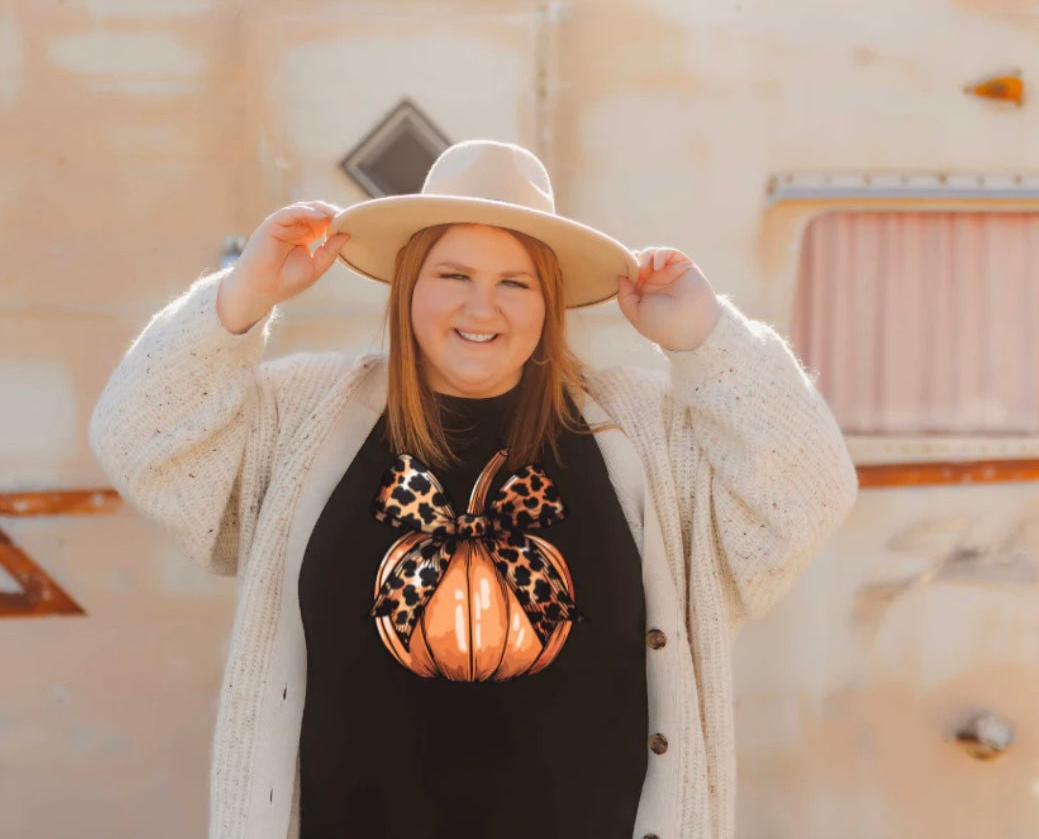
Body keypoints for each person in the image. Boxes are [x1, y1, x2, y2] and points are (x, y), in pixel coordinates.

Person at [89, 139, 858, 839]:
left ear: (548, 302)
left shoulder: (639, 433)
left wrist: (707, 338)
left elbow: (807, 492)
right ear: (407, 288)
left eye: (514, 282)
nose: (480, 307)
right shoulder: (303, 417)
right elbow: (138, 438)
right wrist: (243, 296)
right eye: (452, 275)